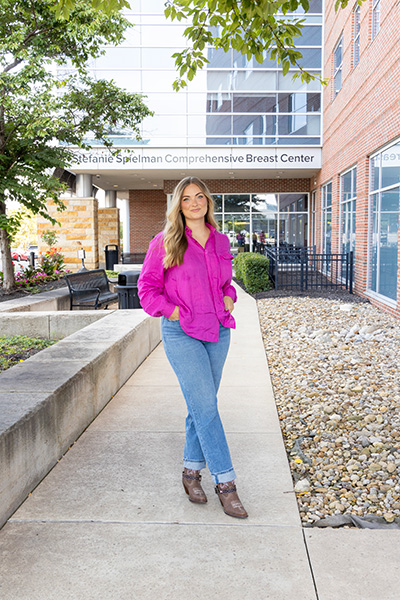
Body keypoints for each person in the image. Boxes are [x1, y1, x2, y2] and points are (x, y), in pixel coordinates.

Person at [137, 176, 248, 519]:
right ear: (178, 205)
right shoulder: (165, 241)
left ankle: (190, 473)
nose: (195, 202)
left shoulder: (221, 240)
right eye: (187, 198)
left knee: (202, 406)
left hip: (217, 330)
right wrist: (171, 311)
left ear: (208, 202)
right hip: (181, 332)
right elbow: (147, 289)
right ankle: (226, 484)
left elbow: (226, 284)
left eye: (200, 196)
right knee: (206, 407)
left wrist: (229, 298)